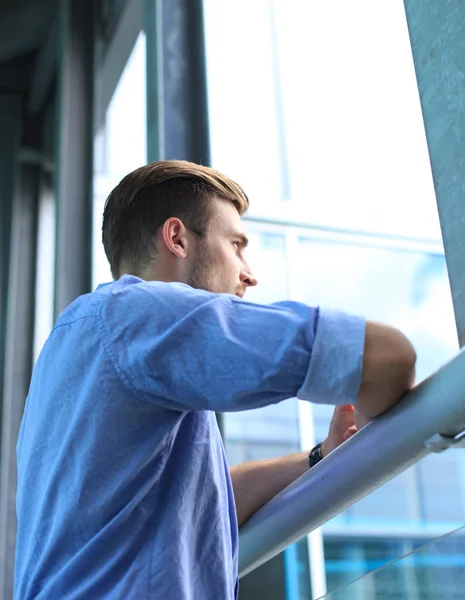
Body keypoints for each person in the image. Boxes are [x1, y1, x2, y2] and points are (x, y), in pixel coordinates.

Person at [14, 160, 416, 599]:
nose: (249, 273)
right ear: (177, 238)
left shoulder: (77, 345)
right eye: (236, 244)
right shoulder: (140, 318)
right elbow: (389, 357)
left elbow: (195, 501)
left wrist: (321, 455)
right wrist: (404, 421)